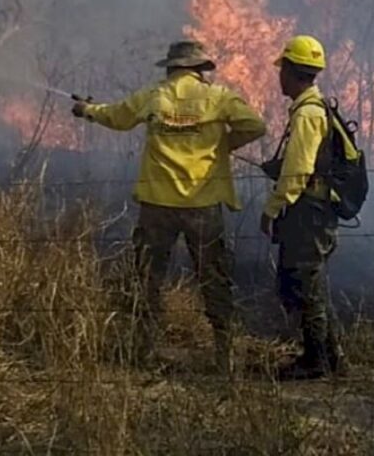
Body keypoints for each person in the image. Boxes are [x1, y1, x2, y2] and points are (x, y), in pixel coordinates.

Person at [72, 40, 266, 372]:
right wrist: (222, 145)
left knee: (148, 278)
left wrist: (88, 110)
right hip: (203, 204)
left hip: (157, 204)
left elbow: (116, 117)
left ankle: (143, 352)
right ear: (200, 70)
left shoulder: (153, 96)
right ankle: (225, 356)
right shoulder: (218, 97)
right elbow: (256, 126)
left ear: (171, 68)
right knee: (214, 278)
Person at [259, 35, 346, 379]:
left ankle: (316, 362)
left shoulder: (309, 113)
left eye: (283, 70)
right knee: (312, 284)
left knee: (304, 284)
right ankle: (330, 356)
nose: (279, 76)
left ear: (294, 72)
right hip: (311, 209)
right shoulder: (312, 109)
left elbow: (298, 171)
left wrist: (272, 207)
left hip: (308, 212)